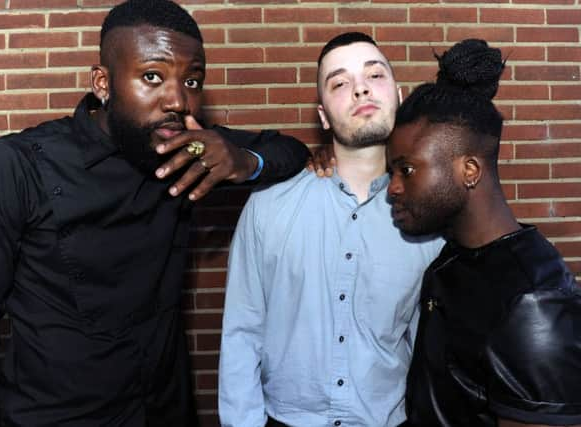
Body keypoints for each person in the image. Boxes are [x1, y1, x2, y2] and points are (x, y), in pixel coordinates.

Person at [0, 0, 310, 425]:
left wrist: (245, 162)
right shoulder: (13, 168)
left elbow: (291, 151)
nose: (178, 99)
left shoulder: (187, 148)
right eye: (152, 76)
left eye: (192, 80)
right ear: (103, 82)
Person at [218, 32, 444, 427]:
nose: (360, 89)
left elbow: (431, 348)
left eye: (375, 76)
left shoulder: (429, 220)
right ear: (322, 115)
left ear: (398, 94)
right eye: (340, 83)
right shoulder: (269, 206)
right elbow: (242, 334)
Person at [386, 38, 581, 427]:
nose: (392, 187)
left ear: (469, 171)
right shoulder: (452, 260)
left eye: (405, 169)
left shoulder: (533, 308)